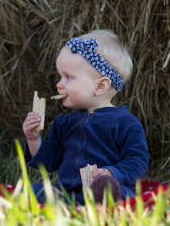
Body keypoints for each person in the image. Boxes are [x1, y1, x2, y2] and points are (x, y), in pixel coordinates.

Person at [22, 29, 149, 204]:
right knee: (28, 191)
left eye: (68, 77)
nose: (59, 85)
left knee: (121, 195)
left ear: (100, 86)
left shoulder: (125, 123)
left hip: (104, 189)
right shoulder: (64, 123)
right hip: (67, 193)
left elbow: (137, 161)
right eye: (61, 76)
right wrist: (33, 139)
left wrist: (112, 173)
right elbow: (49, 163)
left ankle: (105, 197)